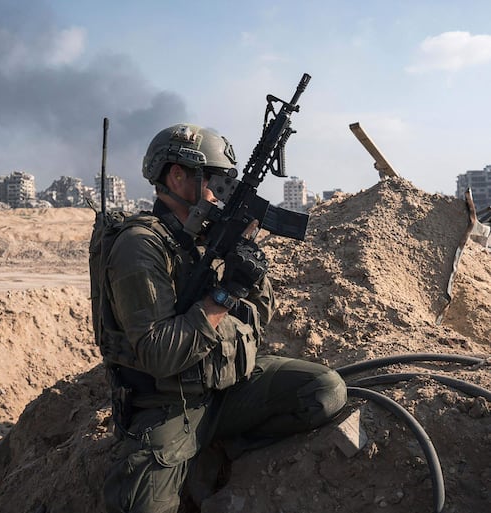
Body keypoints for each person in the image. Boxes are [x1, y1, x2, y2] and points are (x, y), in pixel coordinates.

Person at [98, 123, 347, 513]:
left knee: (324, 390)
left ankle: (218, 452)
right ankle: (188, 455)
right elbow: (159, 355)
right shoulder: (140, 246)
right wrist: (223, 294)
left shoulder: (202, 238)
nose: (220, 192)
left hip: (225, 390)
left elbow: (257, 321)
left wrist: (248, 269)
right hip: (168, 406)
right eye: (214, 180)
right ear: (177, 176)